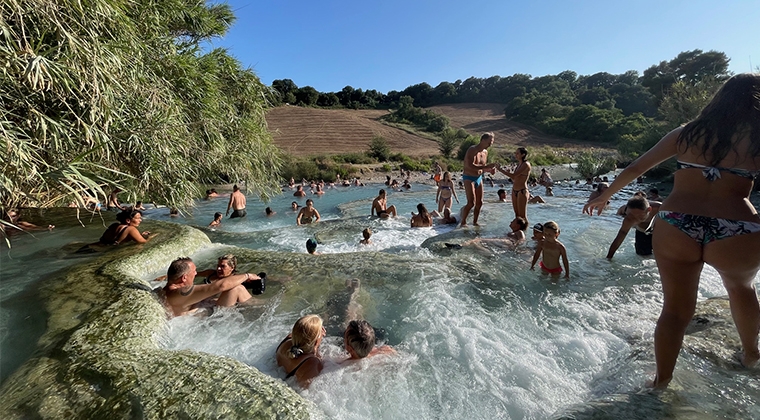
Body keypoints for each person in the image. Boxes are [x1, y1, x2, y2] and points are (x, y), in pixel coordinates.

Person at [583, 74, 760, 388]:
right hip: (737, 227)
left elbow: (637, 167)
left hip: (678, 222)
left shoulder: (687, 134)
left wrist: (605, 195)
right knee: (741, 289)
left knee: (676, 310)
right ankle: (750, 354)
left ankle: (661, 381)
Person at [160, 257, 258, 317]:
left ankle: (257, 306)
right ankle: (260, 308)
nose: (196, 273)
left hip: (207, 314)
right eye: (194, 271)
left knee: (233, 290)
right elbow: (221, 286)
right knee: (236, 289)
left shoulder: (167, 290)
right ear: (184, 278)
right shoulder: (180, 293)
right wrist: (247, 275)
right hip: (211, 323)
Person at [276, 315, 325, 387]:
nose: (324, 331)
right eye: (321, 330)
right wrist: (316, 346)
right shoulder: (312, 362)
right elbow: (308, 390)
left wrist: (315, 342)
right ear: (316, 339)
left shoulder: (287, 340)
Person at [460, 132, 498, 227]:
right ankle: (463, 221)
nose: (491, 144)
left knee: (480, 202)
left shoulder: (485, 152)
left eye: (492, 142)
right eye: (489, 141)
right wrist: (486, 166)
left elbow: (482, 167)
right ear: (483, 140)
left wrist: (490, 170)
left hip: (479, 177)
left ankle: (475, 222)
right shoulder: (472, 149)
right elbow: (470, 165)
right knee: (471, 202)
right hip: (469, 177)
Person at [497, 147, 532, 226]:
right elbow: (514, 178)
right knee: (517, 216)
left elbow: (514, 175)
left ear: (523, 155)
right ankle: (517, 232)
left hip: (522, 191)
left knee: (522, 216)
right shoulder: (518, 164)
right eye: (515, 153)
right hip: (515, 190)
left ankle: (524, 233)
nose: (515, 155)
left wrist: (500, 170)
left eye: (517, 153)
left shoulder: (526, 164)